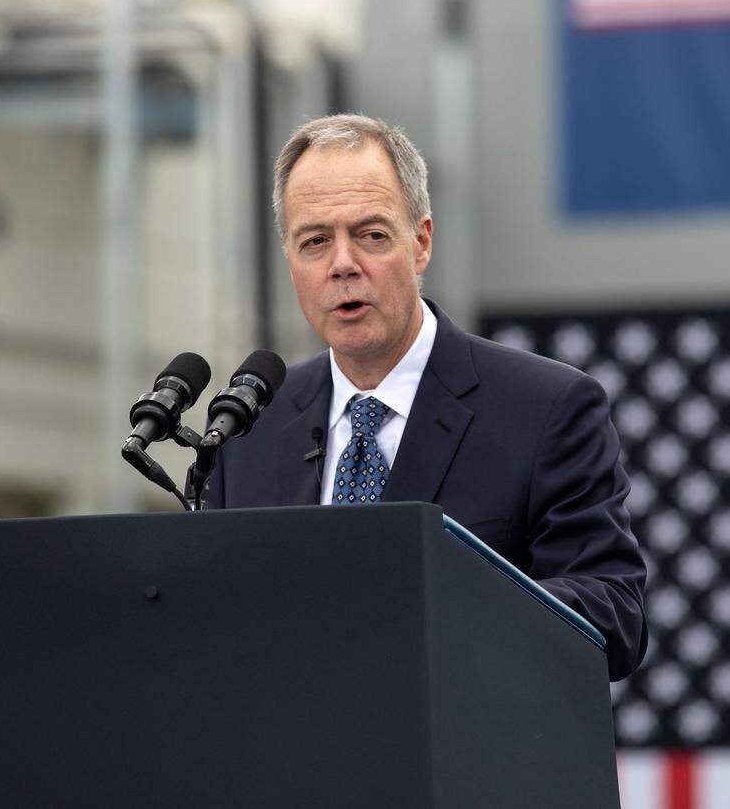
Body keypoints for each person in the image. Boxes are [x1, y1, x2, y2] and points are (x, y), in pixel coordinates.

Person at [208, 113, 647, 680]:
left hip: (462, 756)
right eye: (314, 241)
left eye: (370, 235)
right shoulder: (248, 428)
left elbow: (614, 613)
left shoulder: (547, 409)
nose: (343, 265)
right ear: (289, 260)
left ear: (420, 243)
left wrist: (443, 613)